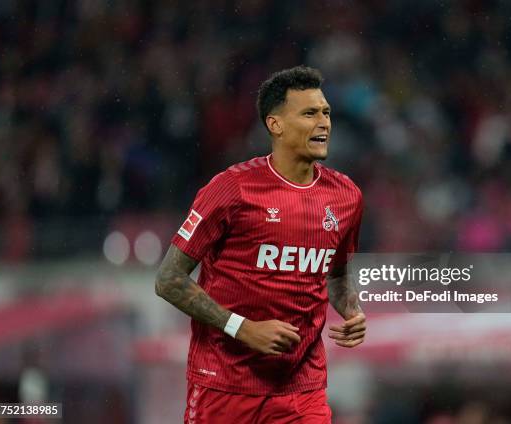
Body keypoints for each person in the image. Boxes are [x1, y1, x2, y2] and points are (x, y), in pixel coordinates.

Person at [155, 65, 365, 424]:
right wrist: (243, 328)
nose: (324, 123)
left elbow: (335, 273)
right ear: (275, 125)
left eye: (326, 113)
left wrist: (351, 311)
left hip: (302, 391)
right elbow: (169, 280)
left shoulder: (346, 196)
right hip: (224, 387)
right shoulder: (231, 189)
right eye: (310, 113)